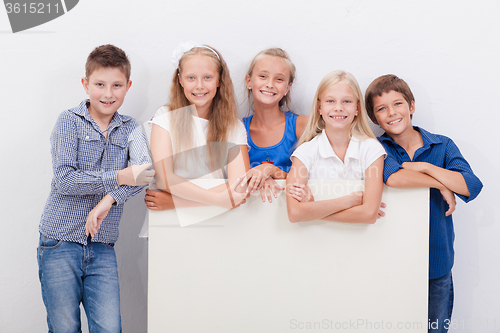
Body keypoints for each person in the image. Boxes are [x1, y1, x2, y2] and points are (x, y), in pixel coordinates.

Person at [37, 44, 153, 332]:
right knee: (64, 328)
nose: (108, 93)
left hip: (102, 246)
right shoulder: (69, 121)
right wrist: (119, 176)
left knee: (109, 327)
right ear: (85, 84)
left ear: (128, 86)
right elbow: (65, 180)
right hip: (59, 242)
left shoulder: (130, 128)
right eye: (100, 84)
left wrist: (109, 200)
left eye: (116, 85)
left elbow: (144, 174)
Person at [364, 74, 483, 332]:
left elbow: (471, 185)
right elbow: (393, 177)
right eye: (382, 109)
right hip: (392, 263)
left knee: (434, 329)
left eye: (398, 104)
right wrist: (440, 183)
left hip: (437, 263)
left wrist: (428, 166)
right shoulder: (376, 148)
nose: (392, 113)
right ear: (374, 119)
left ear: (411, 106)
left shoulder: (442, 145)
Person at [144, 42, 249, 211]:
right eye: (191, 78)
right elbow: (165, 179)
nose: (199, 85)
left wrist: (175, 202)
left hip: (218, 219)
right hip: (170, 222)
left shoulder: (234, 127)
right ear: (180, 80)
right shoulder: (165, 117)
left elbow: (240, 187)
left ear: (219, 80)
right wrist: (220, 198)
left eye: (207, 77)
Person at [286, 70, 386, 224]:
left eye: (347, 101)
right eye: (330, 101)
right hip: (316, 242)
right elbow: (294, 213)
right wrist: (349, 201)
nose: (338, 108)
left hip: (362, 243)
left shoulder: (371, 149)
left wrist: (312, 209)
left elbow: (369, 215)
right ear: (319, 107)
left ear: (357, 108)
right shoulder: (306, 152)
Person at [241, 48, 308, 203]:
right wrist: (260, 179)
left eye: (279, 79)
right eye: (263, 76)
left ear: (287, 88)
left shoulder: (301, 126)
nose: (270, 84)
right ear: (249, 81)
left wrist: (269, 170)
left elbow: (313, 178)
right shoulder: (238, 130)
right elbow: (236, 181)